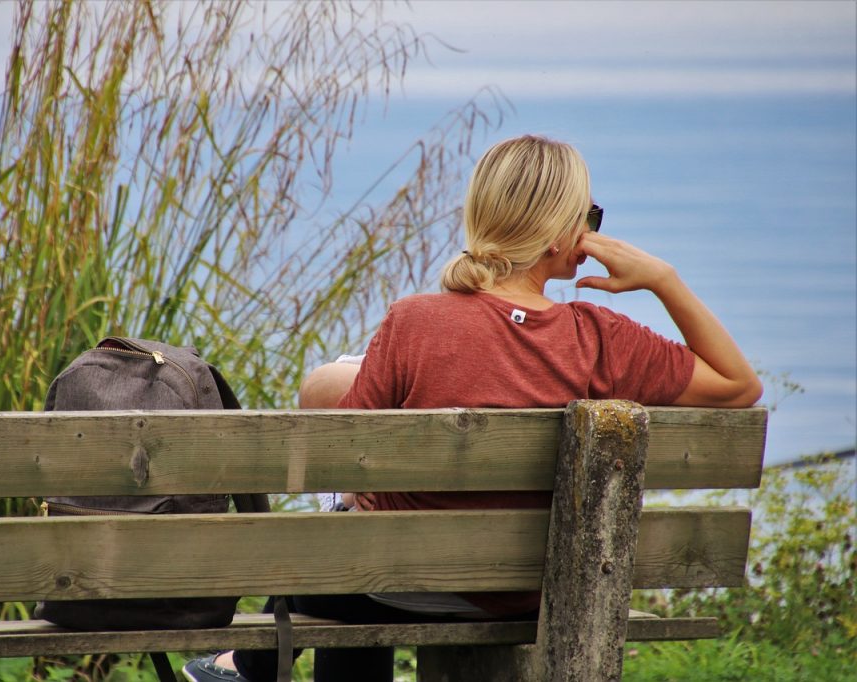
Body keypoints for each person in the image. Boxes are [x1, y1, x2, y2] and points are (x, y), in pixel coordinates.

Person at [182, 134, 762, 682]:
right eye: (590, 218)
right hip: (532, 593)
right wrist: (664, 280)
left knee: (338, 550)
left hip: (398, 582)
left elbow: (346, 471)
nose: (594, 234)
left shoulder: (416, 321)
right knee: (348, 552)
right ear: (560, 237)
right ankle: (242, 664)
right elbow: (739, 385)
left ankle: (243, 666)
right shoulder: (604, 340)